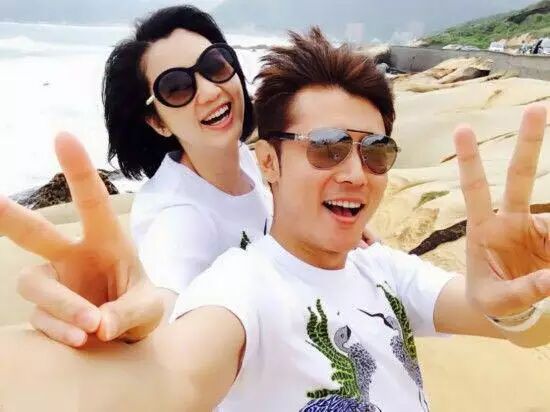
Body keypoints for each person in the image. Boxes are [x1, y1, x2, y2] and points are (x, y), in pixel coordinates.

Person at [1, 28, 549, 411]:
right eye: (327, 147)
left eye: (376, 150)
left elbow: (508, 321)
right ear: (271, 162)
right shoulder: (234, 280)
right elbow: (168, 378)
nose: (356, 174)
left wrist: (522, 295)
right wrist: (112, 338)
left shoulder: (382, 267)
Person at [12, 5, 377, 348]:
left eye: (215, 66)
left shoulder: (246, 158)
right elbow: (163, 309)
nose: (210, 91)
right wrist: (125, 330)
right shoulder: (179, 217)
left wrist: (326, 226)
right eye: (176, 88)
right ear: (157, 122)